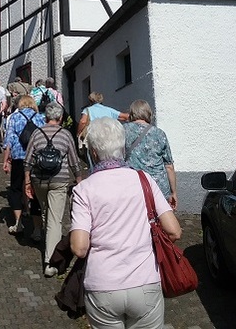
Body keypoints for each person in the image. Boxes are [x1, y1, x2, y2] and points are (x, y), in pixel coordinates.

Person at [70, 117, 182, 329]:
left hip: (103, 285)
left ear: (93, 152)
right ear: (122, 148)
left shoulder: (83, 189)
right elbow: (174, 231)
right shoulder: (144, 179)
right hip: (145, 281)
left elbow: (79, 247)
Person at [24, 102, 82, 277]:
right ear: (61, 117)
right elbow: (74, 161)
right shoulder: (65, 134)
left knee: (46, 213)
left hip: (39, 180)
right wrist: (79, 180)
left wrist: (27, 182)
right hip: (59, 180)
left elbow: (28, 161)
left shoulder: (37, 133)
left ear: (45, 117)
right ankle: (51, 262)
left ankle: (48, 243)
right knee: (55, 220)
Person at [2, 95, 45, 235]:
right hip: (36, 158)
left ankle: (18, 223)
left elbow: (9, 140)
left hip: (19, 157)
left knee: (16, 189)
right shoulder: (40, 118)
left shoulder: (15, 117)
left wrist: (6, 160)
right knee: (35, 190)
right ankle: (37, 229)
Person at [124, 99, 178, 210]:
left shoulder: (123, 131)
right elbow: (169, 166)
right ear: (149, 113)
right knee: (160, 217)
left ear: (132, 113)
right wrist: (173, 192)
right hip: (158, 187)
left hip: (134, 185)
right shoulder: (159, 134)